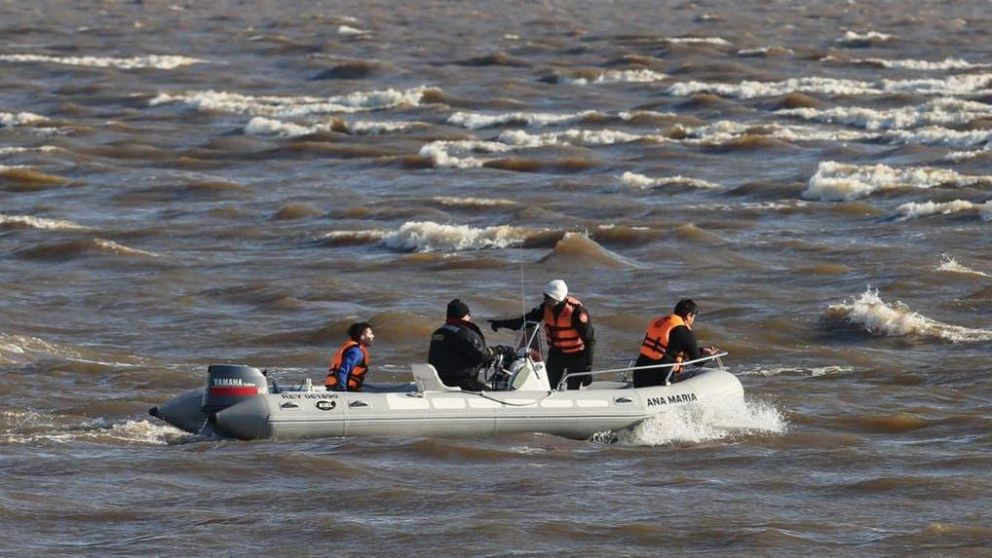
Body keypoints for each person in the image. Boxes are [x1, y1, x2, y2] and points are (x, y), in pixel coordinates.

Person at [489, 279, 595, 390]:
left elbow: (590, 341)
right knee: (548, 386)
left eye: (547, 297)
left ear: (556, 298)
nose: (544, 299)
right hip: (556, 355)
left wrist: (587, 369)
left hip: (576, 356)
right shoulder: (544, 308)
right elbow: (523, 322)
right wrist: (501, 324)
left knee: (573, 389)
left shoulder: (577, 313)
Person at [428, 299, 513, 391]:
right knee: (490, 393)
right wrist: (498, 350)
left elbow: (456, 355)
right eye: (469, 315)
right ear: (464, 315)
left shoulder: (439, 332)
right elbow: (481, 354)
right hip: (459, 381)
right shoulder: (463, 332)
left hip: (442, 378)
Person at [633, 298, 718, 387]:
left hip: (639, 374)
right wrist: (711, 356)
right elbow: (697, 362)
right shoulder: (685, 332)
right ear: (689, 315)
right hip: (659, 378)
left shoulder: (658, 323)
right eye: (693, 317)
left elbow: (669, 348)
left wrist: (702, 350)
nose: (693, 320)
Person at [326, 322, 374, 392]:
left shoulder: (357, 350)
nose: (373, 336)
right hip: (338, 388)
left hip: (343, 387)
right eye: (370, 333)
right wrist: (343, 392)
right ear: (362, 336)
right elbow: (343, 371)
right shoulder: (356, 352)